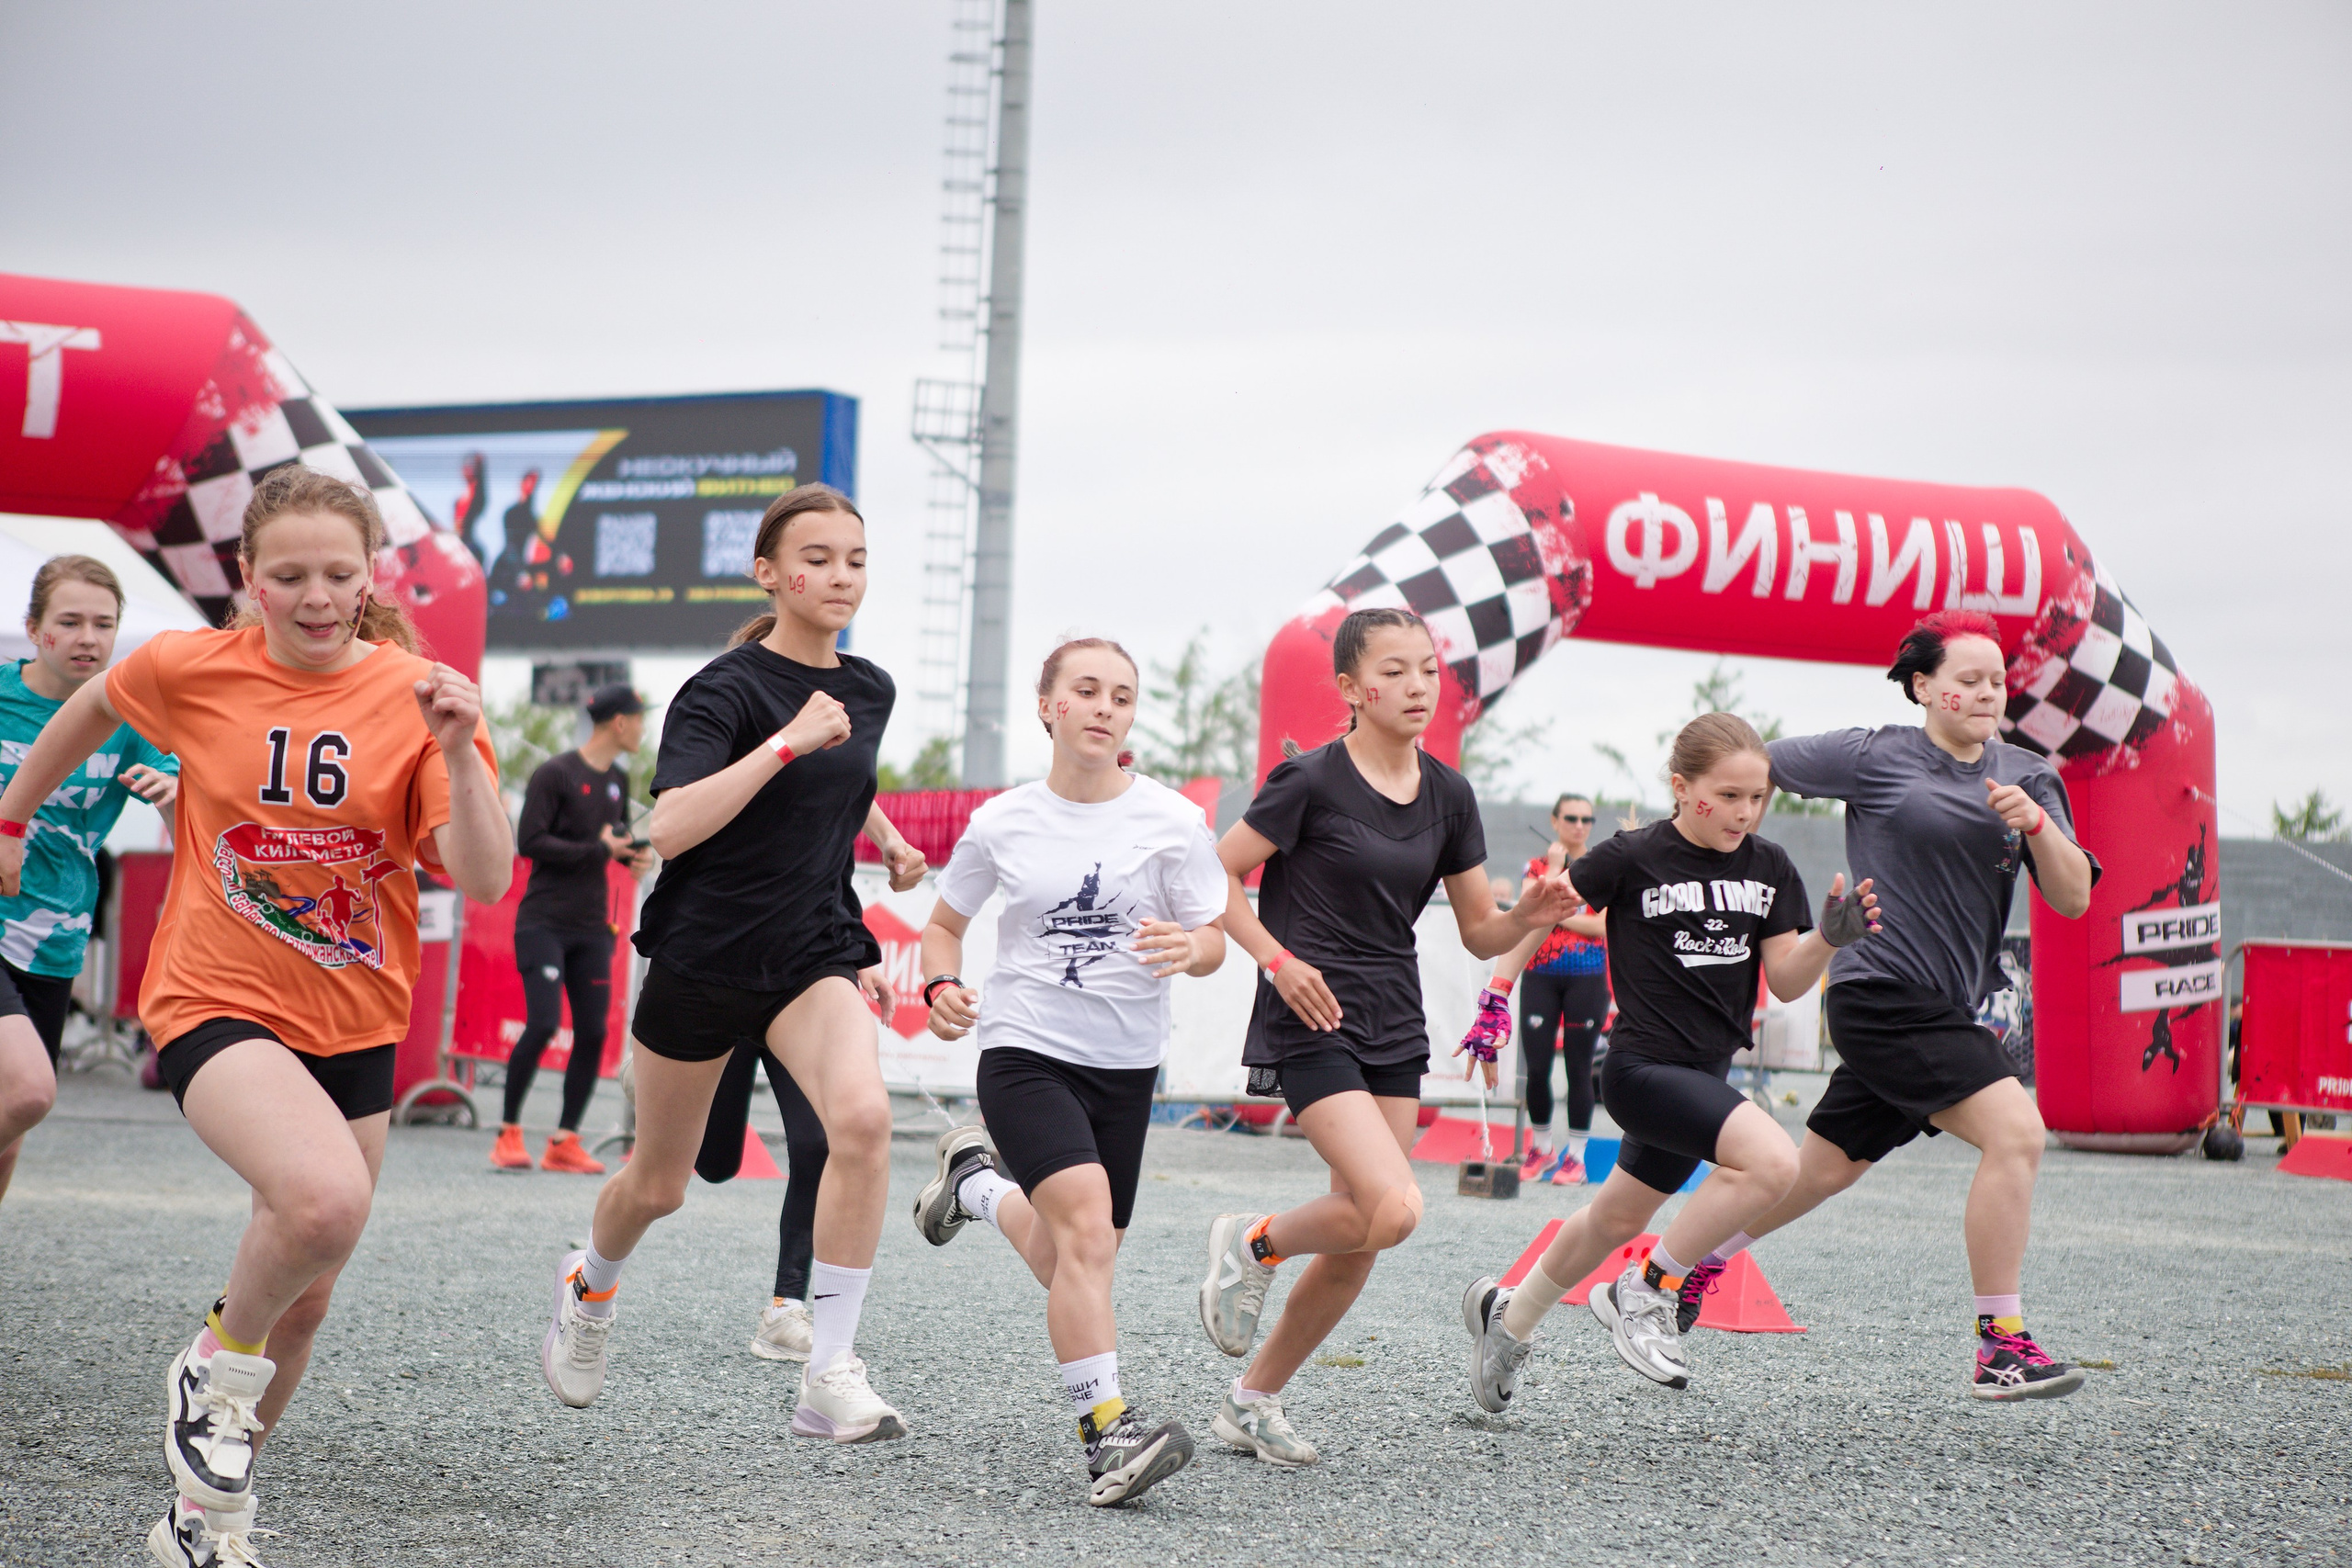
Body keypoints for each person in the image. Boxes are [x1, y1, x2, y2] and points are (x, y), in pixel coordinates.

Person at [0, 467, 509, 1566]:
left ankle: (201, 1521)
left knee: (312, 1299)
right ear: (249, 580)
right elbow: (85, 711)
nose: (317, 596)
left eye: (339, 573)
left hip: (357, 1018)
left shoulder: (419, 694)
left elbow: (482, 873)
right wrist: (10, 813)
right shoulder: (190, 667)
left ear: (370, 573)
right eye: (290, 576)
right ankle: (209, 1360)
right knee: (321, 1202)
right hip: (214, 998)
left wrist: (462, 751)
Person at [537, 483, 917, 1444]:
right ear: (769, 573)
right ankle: (589, 1287)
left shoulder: (868, 688)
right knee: (660, 1186)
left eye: (856, 559)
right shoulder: (724, 689)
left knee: (861, 1125)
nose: (839, 575)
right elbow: (670, 825)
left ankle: (829, 1368)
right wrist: (787, 742)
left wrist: (873, 878)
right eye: (818, 557)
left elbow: (831, 809)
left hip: (810, 955)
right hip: (705, 954)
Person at [1195, 606, 1577, 1466]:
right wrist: (1274, 959)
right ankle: (1253, 1240)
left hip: (1394, 1018)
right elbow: (1212, 870)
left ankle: (1251, 1400)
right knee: (1395, 1204)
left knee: (1371, 1231)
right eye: (1395, 670)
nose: (1416, 686)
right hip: (1310, 1008)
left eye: (1428, 671)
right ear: (1350, 688)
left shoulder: (1450, 793)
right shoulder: (1309, 781)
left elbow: (1480, 931)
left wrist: (1531, 913)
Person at [1461, 713, 1878, 1408]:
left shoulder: (1769, 865)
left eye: (1759, 796)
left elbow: (1787, 980)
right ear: (1682, 788)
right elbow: (1541, 915)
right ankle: (1650, 1286)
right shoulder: (1631, 854)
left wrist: (1830, 940)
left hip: (1705, 1074)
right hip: (1641, 1070)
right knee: (1775, 1163)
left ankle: (1509, 1317)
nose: (1745, 811)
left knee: (1611, 1220)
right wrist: (1496, 996)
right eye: (1729, 794)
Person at [1739, 609, 2099, 1400]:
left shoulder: (2028, 774)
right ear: (1923, 686)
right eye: (1967, 679)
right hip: (1878, 992)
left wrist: (2036, 824)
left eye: (1998, 680)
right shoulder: (1872, 755)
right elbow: (1744, 762)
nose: (1986, 692)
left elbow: (2072, 897)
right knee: (2018, 1134)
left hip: (1947, 1005)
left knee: (1821, 1171)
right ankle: (2001, 1344)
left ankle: (1667, 1275)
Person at [910, 637, 1228, 1506]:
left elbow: (1213, 939)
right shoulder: (1002, 821)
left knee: (1069, 1258)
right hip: (1024, 1050)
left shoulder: (1172, 820)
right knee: (1087, 1231)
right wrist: (940, 980)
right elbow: (944, 927)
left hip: (1127, 1065)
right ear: (1047, 704)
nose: (1103, 707)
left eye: (1121, 696)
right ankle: (1108, 1434)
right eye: (1085, 690)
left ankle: (974, 1184)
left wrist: (1188, 944)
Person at [693, 801, 925, 1363]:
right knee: (710, 1164)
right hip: (722, 973)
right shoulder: (741, 742)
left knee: (818, 1141)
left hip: (802, 982)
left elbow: (831, 880)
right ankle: (660, 1074)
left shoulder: (833, 761)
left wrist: (859, 957)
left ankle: (784, 1306)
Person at [0, 556, 180, 1210]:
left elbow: (191, 796)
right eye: (69, 621)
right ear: (33, 628)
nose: (87, 638)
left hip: (55, 937)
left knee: (12, 1127)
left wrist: (174, 790)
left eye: (103, 624)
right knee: (25, 1090)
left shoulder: (128, 718)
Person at [491, 682, 654, 1173]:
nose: (644, 728)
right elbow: (530, 842)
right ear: (619, 722)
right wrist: (601, 850)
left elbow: (615, 836)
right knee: (541, 1024)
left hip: (592, 927)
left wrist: (634, 855)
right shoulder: (555, 772)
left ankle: (564, 1141)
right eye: (640, 718)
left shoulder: (619, 781)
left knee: (591, 1031)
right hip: (544, 922)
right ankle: (508, 1134)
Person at [1458, 793, 1609, 1184]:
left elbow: (1600, 926)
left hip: (1587, 978)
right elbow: (1527, 913)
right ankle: (1541, 1148)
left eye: (1586, 819)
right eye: (1572, 818)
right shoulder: (1539, 865)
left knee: (1578, 1068)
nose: (1579, 825)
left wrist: (1558, 913)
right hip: (1541, 973)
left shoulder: (1603, 867)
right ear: (1555, 821)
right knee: (1537, 1066)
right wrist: (1559, 877)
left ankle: (1575, 1155)